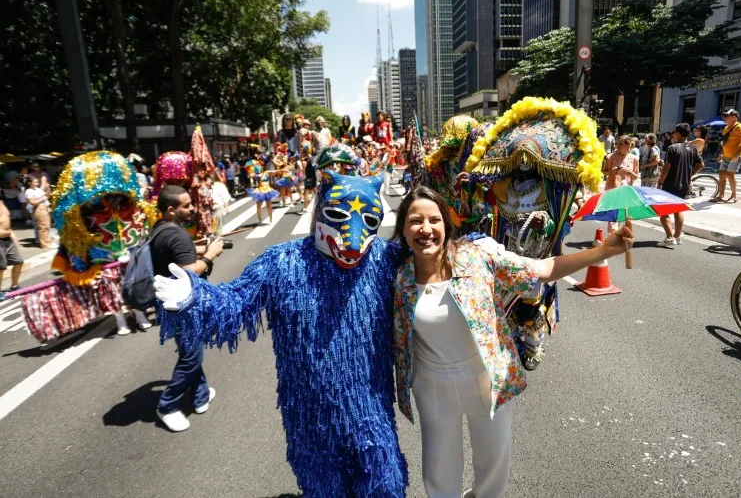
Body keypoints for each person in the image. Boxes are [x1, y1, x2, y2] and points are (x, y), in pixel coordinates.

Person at [153, 172, 409, 496]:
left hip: (372, 415)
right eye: (338, 217)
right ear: (319, 212)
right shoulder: (281, 262)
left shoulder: (385, 260)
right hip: (311, 425)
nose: (352, 238)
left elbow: (437, 263)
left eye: (368, 219)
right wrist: (195, 298)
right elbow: (235, 305)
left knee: (385, 486)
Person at [391, 186, 634, 498]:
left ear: (446, 224)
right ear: (403, 229)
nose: (425, 229)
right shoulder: (398, 277)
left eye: (433, 220)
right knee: (439, 470)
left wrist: (604, 251)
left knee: (493, 466)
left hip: (487, 377)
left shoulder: (477, 256)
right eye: (415, 221)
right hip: (432, 384)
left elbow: (543, 270)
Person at [152, 185, 225, 432]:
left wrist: (201, 248)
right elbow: (188, 272)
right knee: (192, 356)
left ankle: (201, 395)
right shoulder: (177, 235)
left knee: (189, 351)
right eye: (186, 205)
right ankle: (168, 405)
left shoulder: (160, 229)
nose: (192, 208)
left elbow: (173, 257)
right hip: (182, 305)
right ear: (171, 210)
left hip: (168, 301)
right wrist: (210, 255)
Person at [656, 123, 704, 246]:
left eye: (674, 132)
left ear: (677, 133)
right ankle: (677, 236)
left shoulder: (673, 148)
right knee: (678, 210)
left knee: (663, 211)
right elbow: (701, 165)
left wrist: (660, 182)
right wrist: (689, 175)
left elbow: (666, 167)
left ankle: (669, 237)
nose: (673, 135)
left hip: (670, 183)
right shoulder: (693, 148)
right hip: (684, 184)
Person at [714, 109, 741, 203]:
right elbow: (724, 143)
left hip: (736, 156)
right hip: (726, 156)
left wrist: (737, 153)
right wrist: (721, 154)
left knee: (730, 175)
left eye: (726, 116)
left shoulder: (740, 126)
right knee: (721, 174)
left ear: (734, 117)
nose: (724, 118)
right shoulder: (726, 128)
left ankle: (734, 196)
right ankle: (721, 195)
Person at [24, 176, 55, 249]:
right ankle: (45, 244)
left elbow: (47, 195)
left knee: (47, 226)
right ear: (29, 183)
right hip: (38, 208)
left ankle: (48, 241)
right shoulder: (29, 191)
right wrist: (42, 198)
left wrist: (47, 188)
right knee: (43, 226)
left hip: (44, 207)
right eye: (35, 182)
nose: (37, 183)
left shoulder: (37, 189)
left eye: (37, 182)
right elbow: (33, 202)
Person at [0, 200, 22, 294]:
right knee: (1, 268)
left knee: (18, 261)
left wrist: (11, 232)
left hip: (8, 239)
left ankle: (14, 286)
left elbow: (6, 220)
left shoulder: (1, 202)